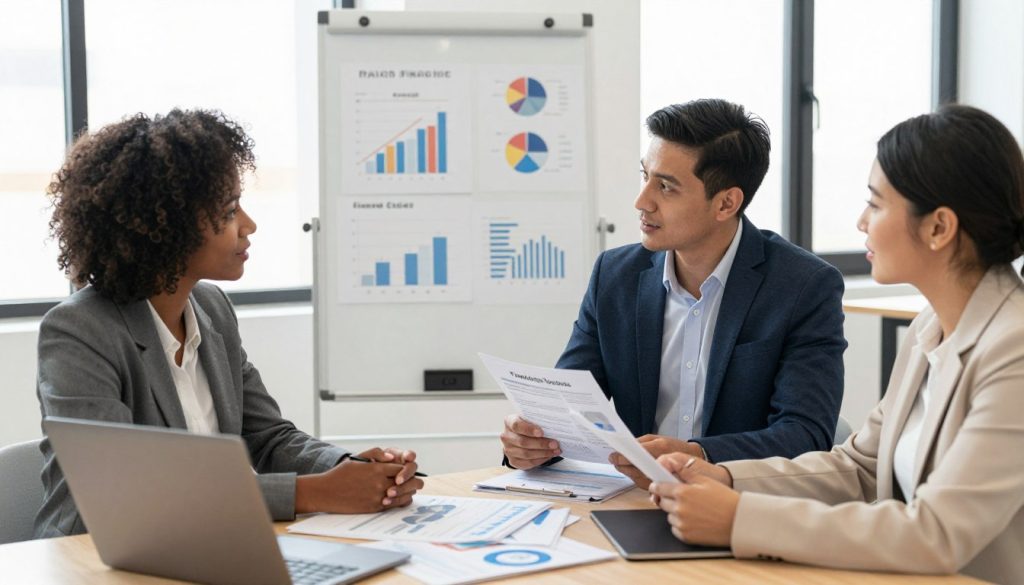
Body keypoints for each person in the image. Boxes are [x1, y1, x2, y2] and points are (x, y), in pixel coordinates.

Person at [649, 104, 1024, 584]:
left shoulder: (1012, 350)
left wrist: (739, 518)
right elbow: (859, 466)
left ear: (938, 228)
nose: (861, 222)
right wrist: (725, 478)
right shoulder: (931, 328)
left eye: (876, 203)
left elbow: (937, 533)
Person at [35, 109, 423, 539]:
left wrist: (352, 471)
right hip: (92, 558)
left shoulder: (211, 308)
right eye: (229, 210)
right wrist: (314, 493)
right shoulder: (79, 332)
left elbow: (268, 437)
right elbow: (126, 492)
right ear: (167, 227)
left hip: (200, 544)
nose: (249, 225)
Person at [500, 99, 847, 478]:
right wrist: (533, 444)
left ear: (726, 203)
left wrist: (698, 454)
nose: (641, 201)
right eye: (645, 176)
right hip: (633, 498)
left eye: (665, 187)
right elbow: (569, 411)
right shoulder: (615, 276)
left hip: (737, 506)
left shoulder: (803, 286)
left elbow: (806, 434)